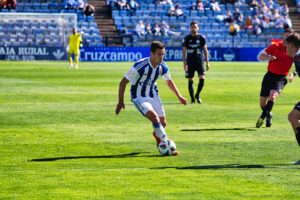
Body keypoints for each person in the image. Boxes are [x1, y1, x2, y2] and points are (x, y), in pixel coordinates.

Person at [115, 41, 187, 155]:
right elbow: (123, 82)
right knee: (154, 117)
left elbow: (169, 82)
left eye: (163, 54)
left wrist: (179, 96)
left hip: (153, 95)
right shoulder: (140, 66)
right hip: (139, 97)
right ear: (151, 53)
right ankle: (166, 143)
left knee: (163, 123)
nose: (161, 57)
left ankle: (157, 136)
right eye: (159, 54)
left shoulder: (163, 66)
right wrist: (120, 102)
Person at [255, 28, 295, 128]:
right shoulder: (275, 46)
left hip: (281, 79)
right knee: (262, 103)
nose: (287, 38)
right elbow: (260, 56)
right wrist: (269, 57)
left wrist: (293, 74)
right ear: (283, 37)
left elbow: (299, 65)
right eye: (286, 36)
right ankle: (269, 114)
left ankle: (262, 118)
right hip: (269, 76)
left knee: (272, 96)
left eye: (289, 36)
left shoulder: (294, 50)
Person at [182, 21, 210, 104]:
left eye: (195, 27)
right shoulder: (187, 38)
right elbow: (184, 52)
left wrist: (207, 62)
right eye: (192, 27)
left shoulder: (201, 38)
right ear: (190, 28)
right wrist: (184, 63)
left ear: (198, 28)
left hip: (199, 61)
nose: (194, 28)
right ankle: (192, 99)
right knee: (190, 79)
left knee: (202, 78)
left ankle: (197, 95)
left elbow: (205, 50)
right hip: (190, 62)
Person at [285, 33, 300, 165]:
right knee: (293, 117)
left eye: (286, 46)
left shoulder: (298, 57)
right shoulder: (297, 57)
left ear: (290, 45)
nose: (285, 49)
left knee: (293, 117)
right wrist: (294, 73)